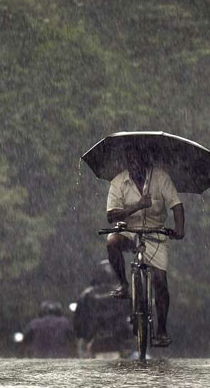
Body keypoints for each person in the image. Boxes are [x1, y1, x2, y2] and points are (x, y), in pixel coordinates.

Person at [105, 150, 184, 347]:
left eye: (138, 162)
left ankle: (162, 330)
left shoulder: (161, 178)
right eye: (131, 163)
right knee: (112, 242)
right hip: (129, 231)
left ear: (146, 162)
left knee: (160, 281)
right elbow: (111, 216)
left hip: (155, 233)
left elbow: (177, 205)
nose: (135, 167)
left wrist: (179, 229)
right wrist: (137, 206)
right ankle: (123, 284)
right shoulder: (118, 182)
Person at [74, 260, 131, 358]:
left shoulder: (86, 294)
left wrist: (83, 335)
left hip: (94, 338)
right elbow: (132, 315)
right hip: (119, 338)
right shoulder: (123, 293)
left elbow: (79, 321)